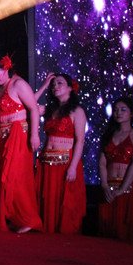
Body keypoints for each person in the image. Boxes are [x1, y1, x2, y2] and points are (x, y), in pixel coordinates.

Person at [0, 54, 43, 233]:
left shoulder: (18, 84)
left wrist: (35, 135)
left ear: (6, 68)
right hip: (3, 137)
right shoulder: (1, 87)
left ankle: (29, 218)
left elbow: (33, 109)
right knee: (4, 177)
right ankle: (15, 216)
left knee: (16, 176)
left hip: (17, 134)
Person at [34, 73, 87, 233]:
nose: (55, 86)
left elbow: (80, 141)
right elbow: (30, 104)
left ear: (70, 88)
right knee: (47, 200)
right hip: (47, 163)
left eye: (59, 83)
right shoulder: (50, 110)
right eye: (53, 84)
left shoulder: (77, 111)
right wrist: (44, 85)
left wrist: (73, 167)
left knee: (63, 203)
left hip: (65, 163)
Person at [97, 97, 133, 242]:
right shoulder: (108, 136)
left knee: (129, 230)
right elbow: (102, 163)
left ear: (131, 113)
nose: (119, 113)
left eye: (123, 110)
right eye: (116, 110)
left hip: (130, 187)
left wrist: (122, 189)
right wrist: (104, 185)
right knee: (109, 232)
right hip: (110, 187)